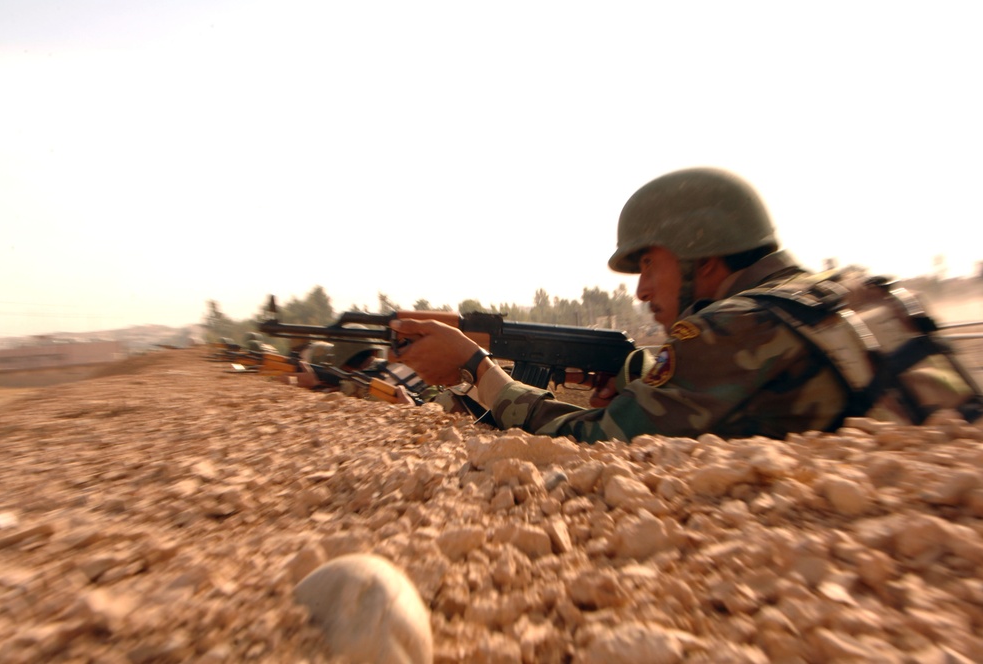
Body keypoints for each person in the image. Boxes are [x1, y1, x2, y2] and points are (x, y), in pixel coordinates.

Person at [388, 167, 982, 443]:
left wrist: (477, 374)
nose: (641, 289)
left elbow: (599, 438)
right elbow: (759, 386)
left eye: (649, 263)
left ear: (704, 253)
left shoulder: (737, 323)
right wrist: (633, 372)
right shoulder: (837, 289)